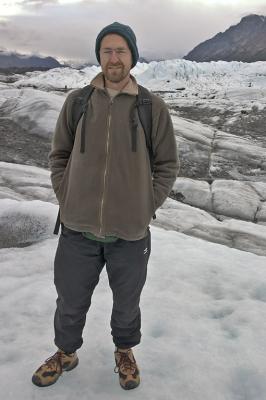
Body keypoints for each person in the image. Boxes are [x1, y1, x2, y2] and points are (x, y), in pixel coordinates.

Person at [32, 21, 178, 391]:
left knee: (127, 302)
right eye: (107, 50)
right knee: (69, 299)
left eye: (121, 50)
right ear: (99, 56)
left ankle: (124, 351)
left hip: (130, 231)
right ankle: (65, 353)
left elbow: (167, 164)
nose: (114, 57)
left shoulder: (151, 107)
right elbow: (59, 155)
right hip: (77, 227)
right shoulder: (78, 102)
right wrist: (66, 195)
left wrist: (146, 205)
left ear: (132, 56)